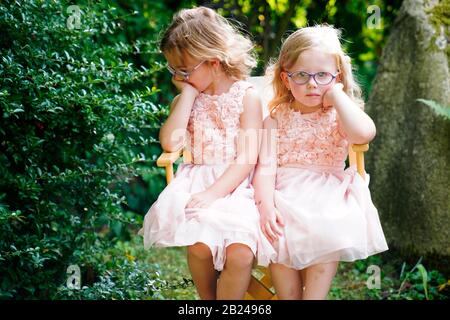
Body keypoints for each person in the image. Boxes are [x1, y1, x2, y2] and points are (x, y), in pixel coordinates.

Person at [139, 6, 275, 300]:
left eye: (184, 70)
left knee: (240, 254)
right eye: (173, 70)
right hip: (195, 182)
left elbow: (247, 157)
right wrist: (187, 93)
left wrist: (214, 193)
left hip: (239, 186)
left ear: (213, 60)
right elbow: (171, 144)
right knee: (200, 246)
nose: (178, 76)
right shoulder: (186, 98)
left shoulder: (246, 97)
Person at [252, 25, 388, 300]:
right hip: (283, 194)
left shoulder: (340, 114)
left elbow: (364, 133)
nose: (312, 84)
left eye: (323, 75)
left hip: (328, 194)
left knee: (327, 226)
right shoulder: (275, 119)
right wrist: (266, 206)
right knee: (275, 230)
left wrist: (338, 95)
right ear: (286, 79)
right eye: (301, 75)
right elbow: (264, 169)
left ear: (337, 77)